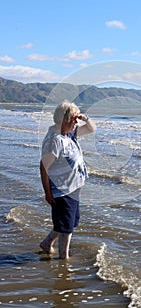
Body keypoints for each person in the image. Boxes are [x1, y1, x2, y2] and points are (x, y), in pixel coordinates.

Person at [39, 100, 96, 259]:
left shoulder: (69, 133)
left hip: (72, 187)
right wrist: (48, 194)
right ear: (64, 120)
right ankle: (64, 258)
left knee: (67, 223)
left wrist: (84, 117)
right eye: (73, 119)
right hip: (61, 191)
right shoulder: (55, 140)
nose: (76, 122)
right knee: (66, 228)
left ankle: (46, 243)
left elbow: (91, 128)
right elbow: (44, 167)